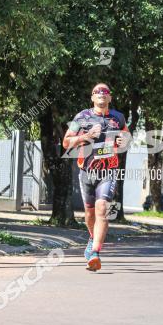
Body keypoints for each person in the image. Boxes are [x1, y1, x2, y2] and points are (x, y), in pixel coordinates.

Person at [62, 83, 129, 272]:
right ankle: (92, 238)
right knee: (90, 214)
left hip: (109, 171)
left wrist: (125, 140)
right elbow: (66, 142)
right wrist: (86, 136)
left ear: (110, 98)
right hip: (87, 172)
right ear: (92, 98)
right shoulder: (80, 117)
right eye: (97, 92)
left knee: (102, 209)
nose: (101, 94)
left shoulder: (118, 117)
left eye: (105, 92)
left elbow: (127, 136)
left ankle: (95, 254)